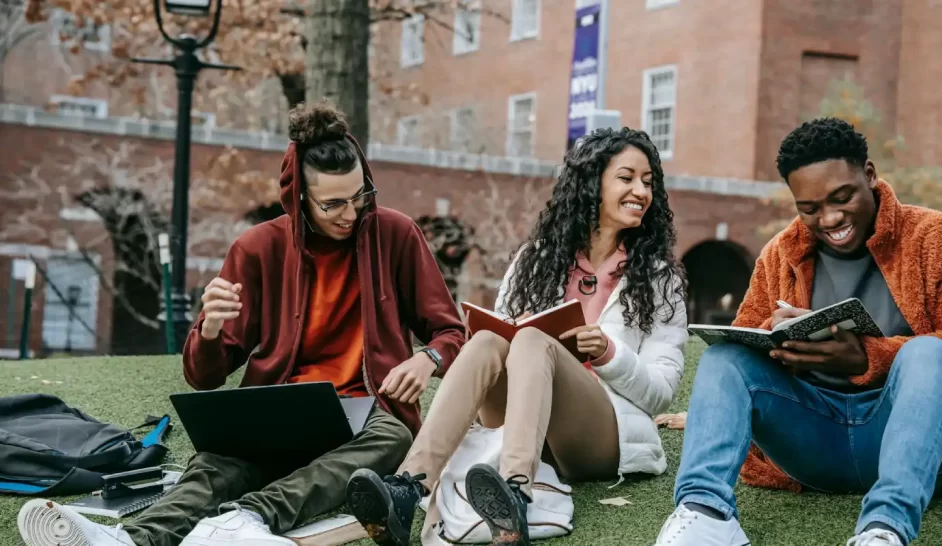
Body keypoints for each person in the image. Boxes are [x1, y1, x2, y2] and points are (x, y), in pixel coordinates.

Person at [16, 101, 467, 546]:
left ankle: (247, 518)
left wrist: (427, 357)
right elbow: (204, 376)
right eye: (333, 204)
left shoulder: (396, 234)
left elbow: (451, 332)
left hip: (367, 415)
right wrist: (209, 329)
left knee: (393, 437)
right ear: (299, 197)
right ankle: (127, 539)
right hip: (278, 412)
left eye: (359, 196)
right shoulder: (257, 249)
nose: (351, 213)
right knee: (216, 464)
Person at [654, 117, 942, 546]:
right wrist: (775, 331)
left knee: (928, 354)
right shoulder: (781, 252)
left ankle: (884, 530)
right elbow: (745, 340)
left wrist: (870, 358)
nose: (830, 217)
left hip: (923, 448)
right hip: (812, 443)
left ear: (870, 175)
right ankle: (705, 513)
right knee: (724, 357)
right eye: (810, 208)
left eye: (842, 197)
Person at [344, 127, 690, 546]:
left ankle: (515, 495)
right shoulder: (536, 258)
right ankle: (407, 487)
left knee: (532, 341)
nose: (641, 190)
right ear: (591, 183)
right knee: (492, 341)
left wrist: (608, 352)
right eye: (627, 177)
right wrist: (505, 329)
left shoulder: (657, 277)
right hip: (519, 425)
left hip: (598, 436)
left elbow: (662, 391)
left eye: (649, 182)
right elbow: (497, 341)